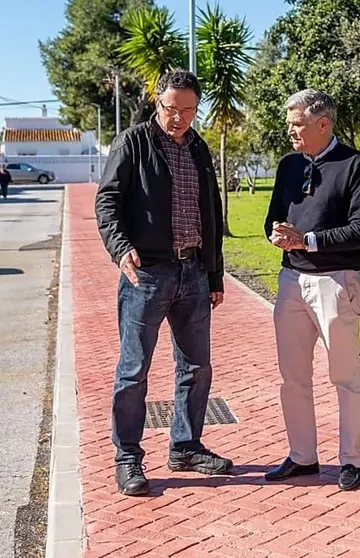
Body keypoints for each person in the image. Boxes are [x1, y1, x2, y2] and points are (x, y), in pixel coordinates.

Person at [95, 69, 232, 497]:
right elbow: (107, 200)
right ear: (158, 102)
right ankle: (128, 458)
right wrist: (120, 249)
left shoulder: (199, 147)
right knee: (134, 370)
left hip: (193, 272)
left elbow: (211, 211)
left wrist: (214, 272)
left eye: (188, 110)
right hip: (147, 274)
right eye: (172, 109)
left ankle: (186, 446)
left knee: (196, 367)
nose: (179, 118)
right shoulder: (133, 142)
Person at [262, 89, 360, 491]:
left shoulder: (355, 165)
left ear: (323, 123)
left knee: (344, 376)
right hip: (290, 280)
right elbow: (274, 217)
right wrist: (276, 234)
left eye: (298, 124)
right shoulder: (288, 165)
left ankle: (351, 461)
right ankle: (302, 456)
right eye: (290, 123)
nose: (291, 131)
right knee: (292, 377)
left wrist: (307, 240)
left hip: (335, 280)